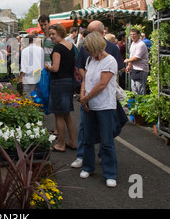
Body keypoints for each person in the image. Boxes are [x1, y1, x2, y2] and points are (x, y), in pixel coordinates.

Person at [71, 20, 125, 169]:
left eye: (92, 32)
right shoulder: (88, 52)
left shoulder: (112, 49)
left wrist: (91, 93)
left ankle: (104, 159)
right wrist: (84, 93)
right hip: (88, 98)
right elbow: (82, 69)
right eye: (88, 32)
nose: (89, 35)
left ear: (102, 33)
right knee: (85, 131)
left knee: (106, 135)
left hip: (103, 100)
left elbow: (109, 78)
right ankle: (83, 158)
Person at [78, 31, 118, 188]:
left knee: (106, 141)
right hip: (89, 105)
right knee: (87, 138)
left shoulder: (110, 61)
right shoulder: (90, 59)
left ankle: (110, 173)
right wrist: (83, 95)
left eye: (88, 49)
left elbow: (102, 84)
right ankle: (88, 167)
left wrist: (86, 98)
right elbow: (86, 79)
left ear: (95, 47)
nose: (86, 52)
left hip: (104, 106)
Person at [44, 24, 77, 152]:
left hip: (58, 82)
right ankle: (73, 142)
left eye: (53, 34)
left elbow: (55, 68)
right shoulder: (70, 46)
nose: (51, 37)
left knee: (58, 115)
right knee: (67, 114)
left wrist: (48, 67)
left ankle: (61, 144)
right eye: (50, 34)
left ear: (60, 33)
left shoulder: (57, 48)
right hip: (69, 81)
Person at [124, 29, 149, 95]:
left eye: (134, 34)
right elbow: (132, 55)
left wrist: (127, 60)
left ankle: (142, 103)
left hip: (141, 69)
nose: (132, 36)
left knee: (140, 88)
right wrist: (129, 65)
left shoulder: (141, 44)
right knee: (134, 88)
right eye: (131, 35)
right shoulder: (133, 43)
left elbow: (137, 58)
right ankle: (136, 103)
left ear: (138, 35)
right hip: (134, 69)